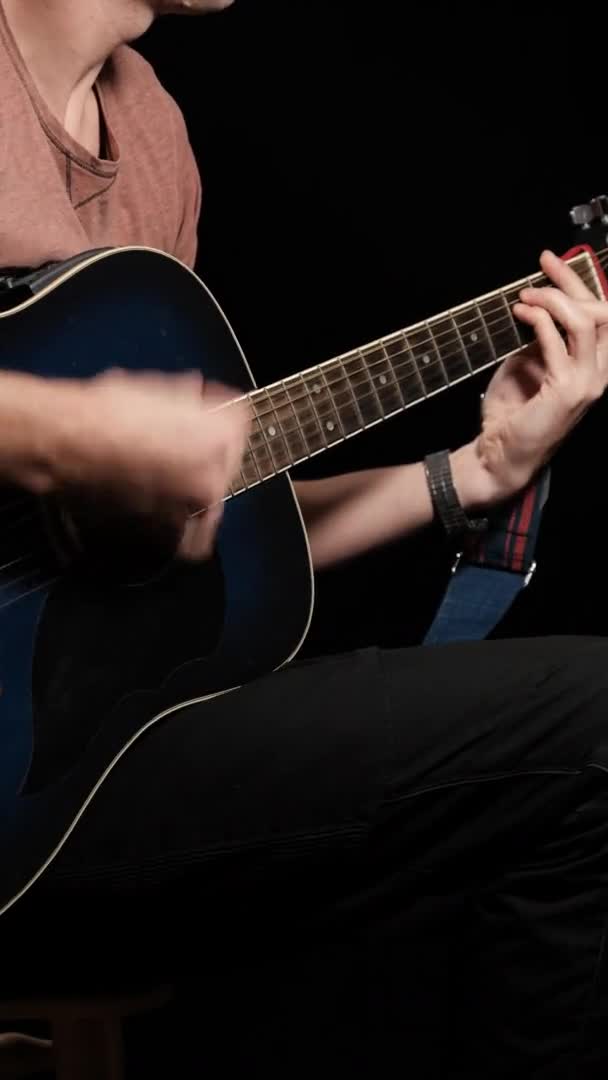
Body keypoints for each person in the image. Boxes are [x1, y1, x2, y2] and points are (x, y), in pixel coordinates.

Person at [1, 1, 608, 1076]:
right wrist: (61, 434)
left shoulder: (149, 132)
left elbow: (171, 549)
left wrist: (472, 474)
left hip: (65, 783)